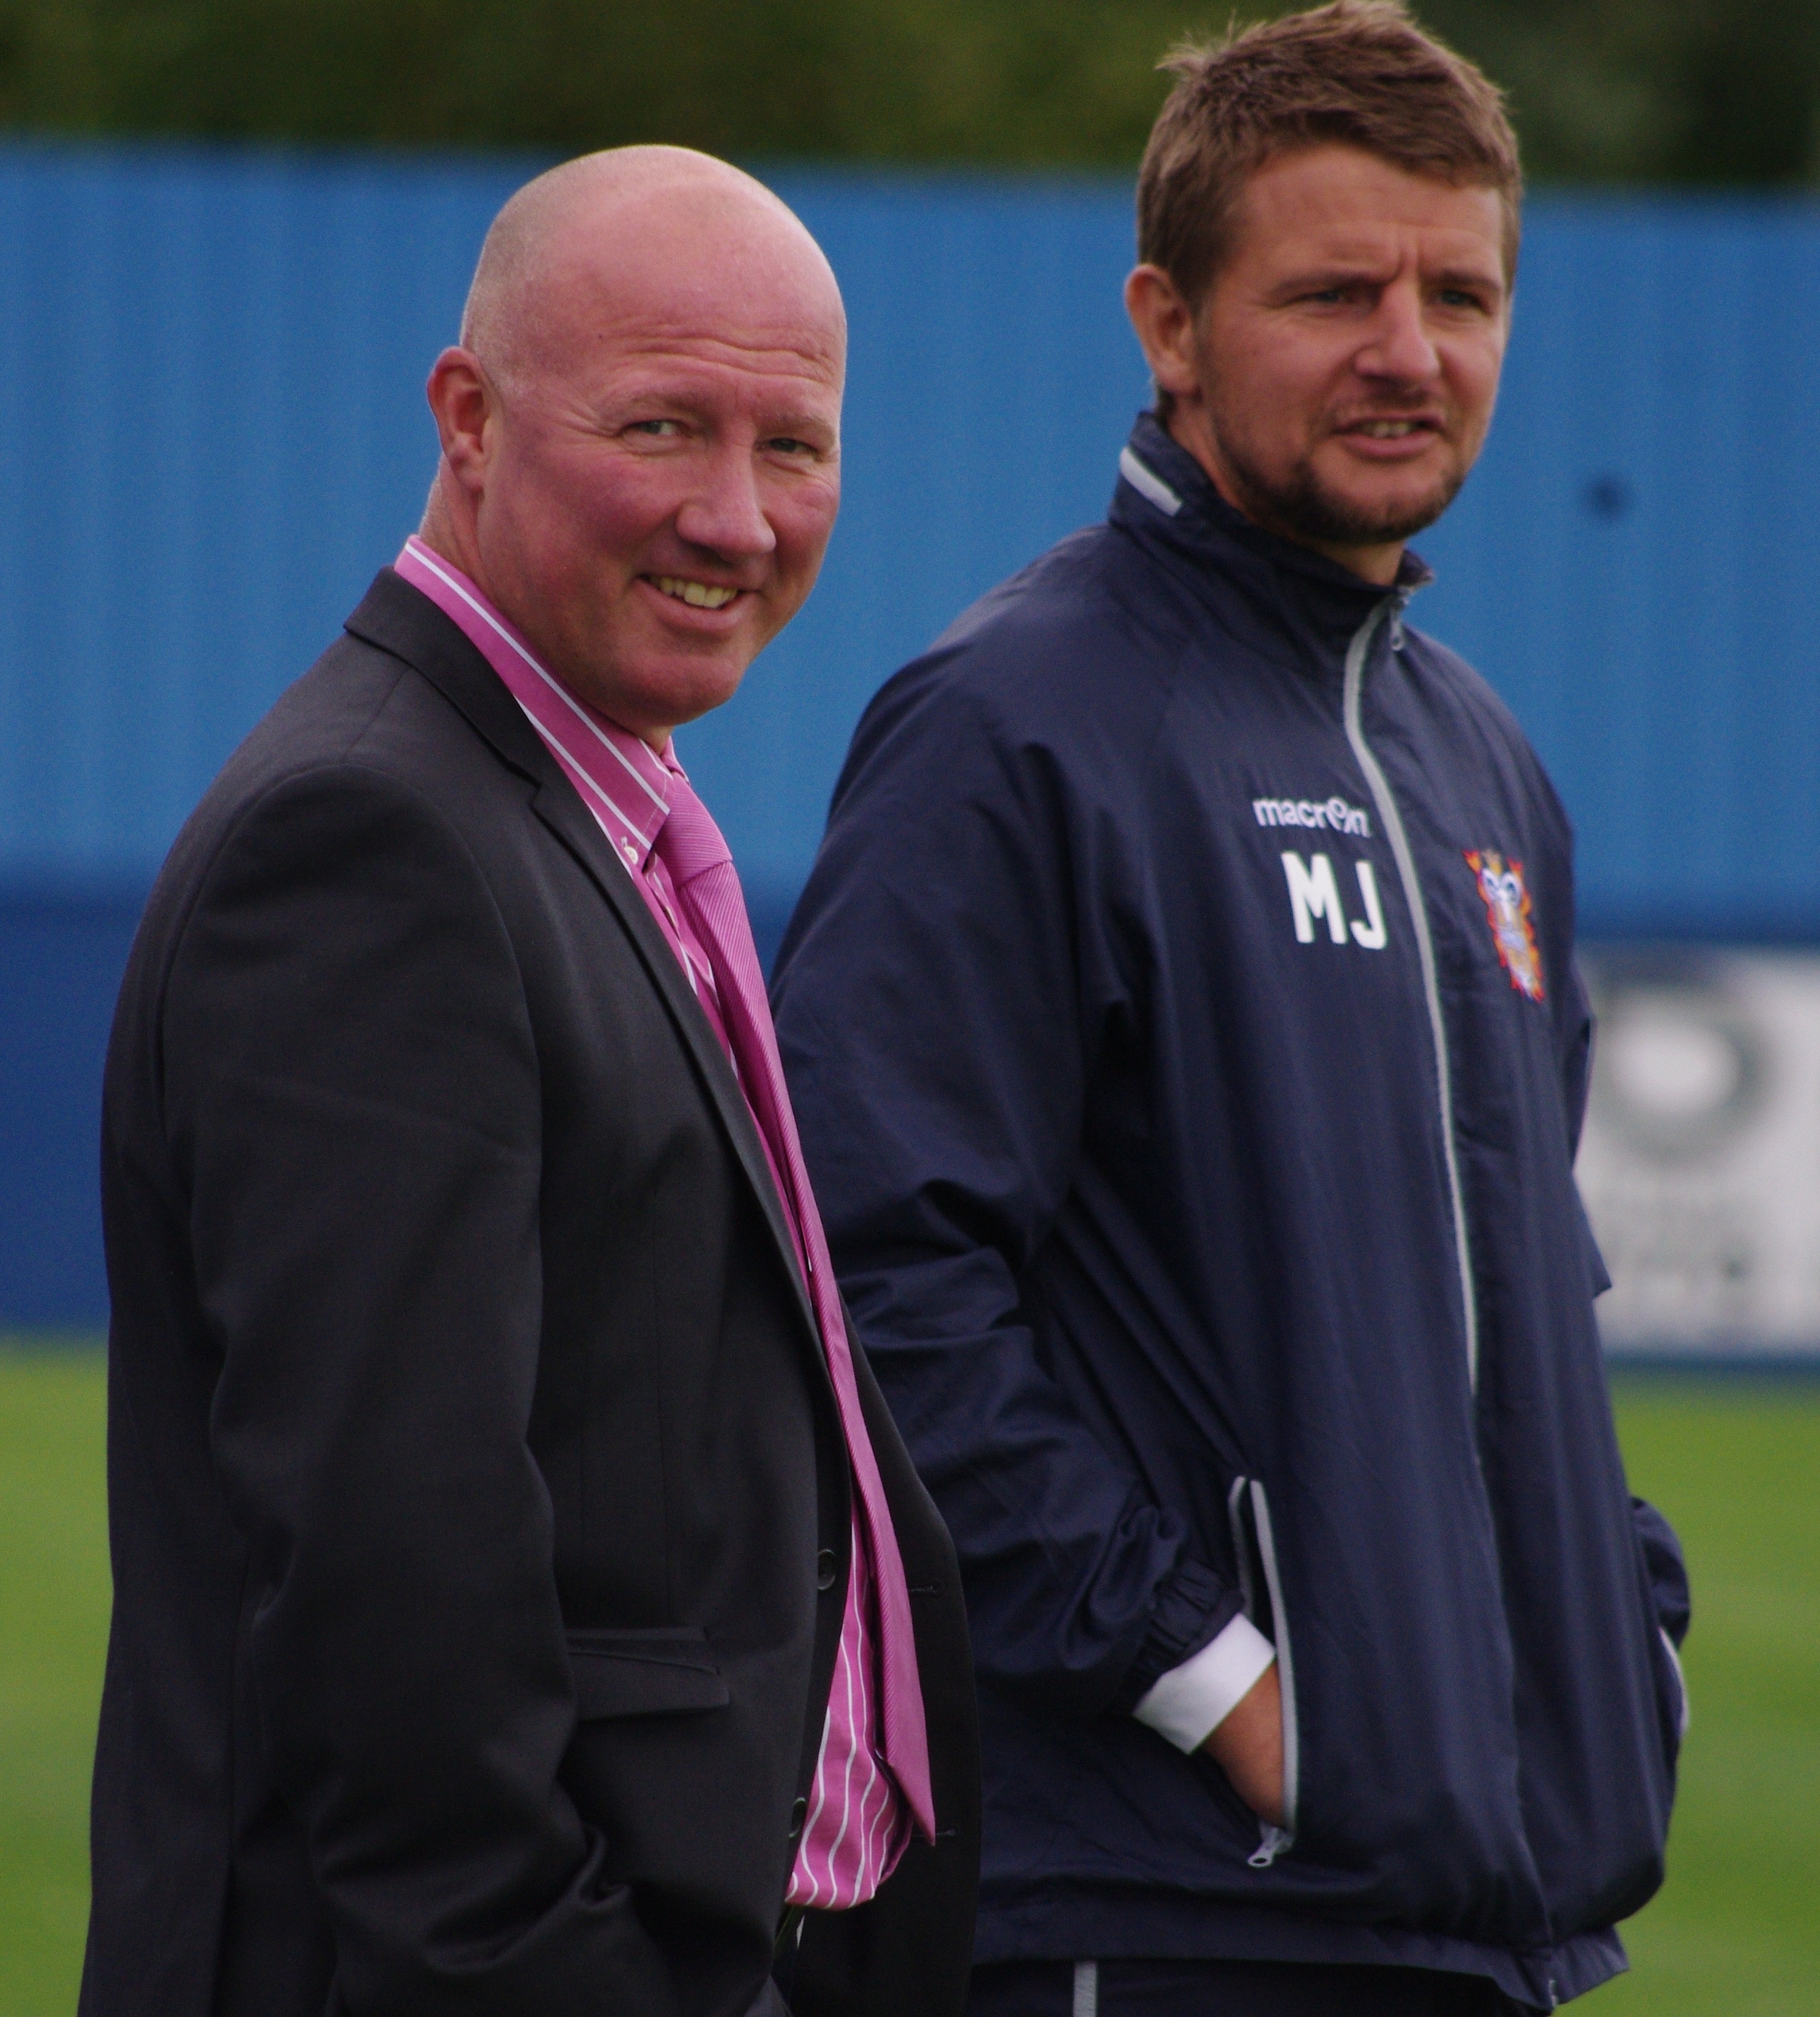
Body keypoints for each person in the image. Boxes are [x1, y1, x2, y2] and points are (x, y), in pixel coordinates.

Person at [769, 6, 1689, 2013]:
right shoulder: (1015, 726)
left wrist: (1630, 1642)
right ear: (1168, 323)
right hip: (1157, 1921)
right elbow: (866, 1290)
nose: (1410, 349)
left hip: (1481, 1924)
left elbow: (1531, 1312)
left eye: (1462, 291)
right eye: (1335, 289)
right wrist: (1227, 1684)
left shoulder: (1487, 769)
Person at [81, 146, 977, 2017]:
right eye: (662, 427)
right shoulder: (367, 842)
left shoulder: (562, 809)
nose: (737, 518)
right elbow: (392, 1596)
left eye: (794, 447)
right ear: (470, 419)